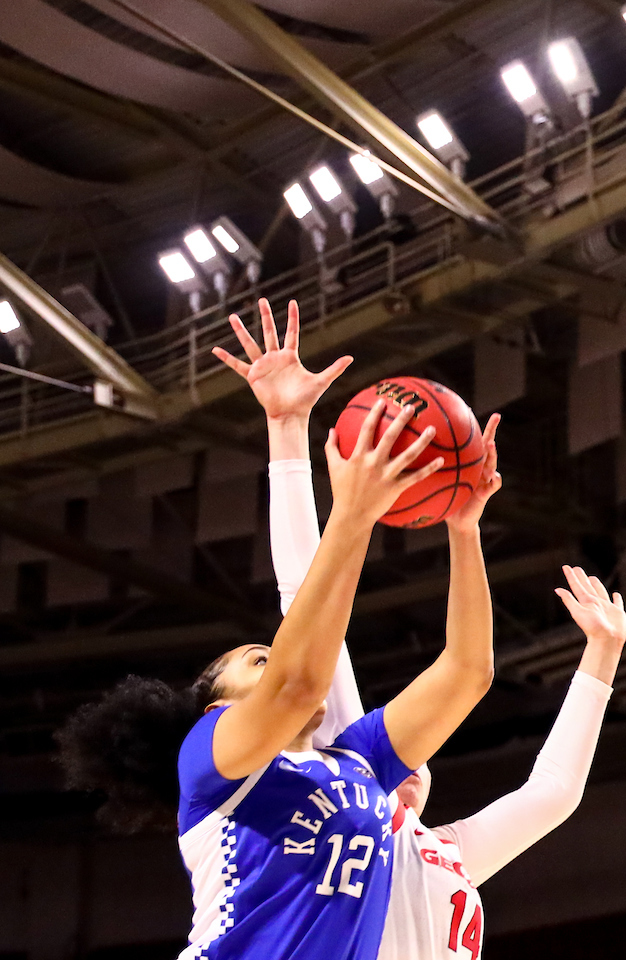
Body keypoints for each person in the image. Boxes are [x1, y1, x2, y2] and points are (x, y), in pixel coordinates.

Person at [56, 299, 501, 960]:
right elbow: (297, 679)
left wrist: (464, 531)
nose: (276, 656)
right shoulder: (208, 764)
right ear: (217, 707)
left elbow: (468, 672)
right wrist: (349, 513)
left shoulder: (358, 765)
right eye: (255, 660)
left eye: (268, 654)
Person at [253, 311, 626, 960]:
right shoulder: (349, 786)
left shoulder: (445, 852)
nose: (410, 761)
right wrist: (285, 435)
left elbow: (554, 792)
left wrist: (601, 654)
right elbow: (306, 609)